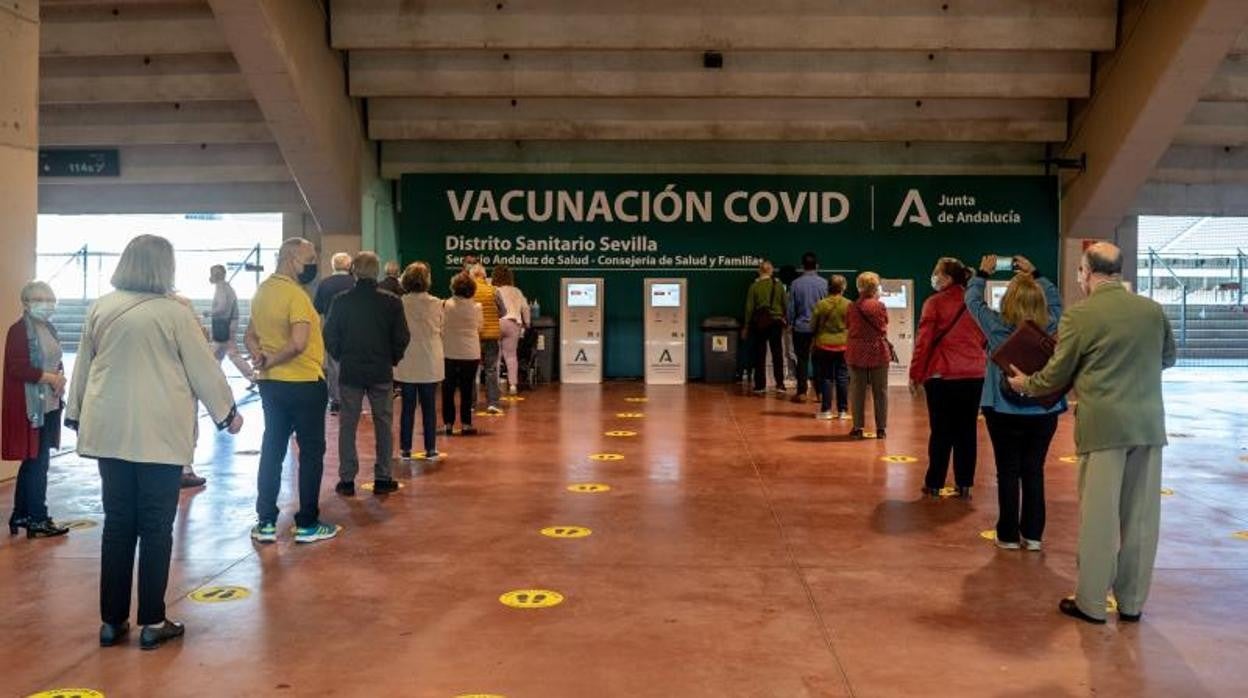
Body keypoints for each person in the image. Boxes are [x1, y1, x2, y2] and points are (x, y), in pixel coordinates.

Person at [65, 235, 241, 651]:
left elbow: (83, 370)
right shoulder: (174, 314)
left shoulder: (101, 308)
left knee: (118, 525)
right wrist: (227, 414)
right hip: (159, 433)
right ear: (165, 268)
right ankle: (153, 621)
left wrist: (74, 415)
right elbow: (202, 369)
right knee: (156, 527)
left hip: (109, 430)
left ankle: (111, 622)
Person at [1008, 242, 1175, 625]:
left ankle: (1092, 603)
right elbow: (1168, 358)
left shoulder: (1080, 316)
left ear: (1086, 271)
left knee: (1100, 518)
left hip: (1103, 428)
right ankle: (1132, 603)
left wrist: (1024, 384)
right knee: (1141, 519)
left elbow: (1057, 374)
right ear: (1118, 270)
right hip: (1149, 426)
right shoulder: (1151, 310)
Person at [966, 255, 1065, 550]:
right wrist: (1036, 273)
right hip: (1043, 407)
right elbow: (1056, 301)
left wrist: (982, 273)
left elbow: (972, 301)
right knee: (1034, 469)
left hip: (1001, 407)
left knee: (1007, 470)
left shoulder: (995, 326)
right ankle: (1033, 535)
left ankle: (1007, 534)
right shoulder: (1051, 323)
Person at [245, 238, 339, 545]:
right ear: (291, 259)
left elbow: (249, 335)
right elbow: (299, 343)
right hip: (303, 383)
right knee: (311, 453)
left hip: (271, 385)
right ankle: (308, 523)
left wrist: (260, 357)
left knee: (273, 448)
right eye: (310, 258)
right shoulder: (296, 296)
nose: (313, 264)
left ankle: (266, 522)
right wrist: (270, 358)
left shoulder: (262, 292)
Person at [324, 252, 410, 496]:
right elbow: (402, 336)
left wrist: (341, 356)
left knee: (347, 425)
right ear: (377, 271)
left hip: (350, 371)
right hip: (381, 371)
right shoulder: (392, 301)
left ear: (354, 270)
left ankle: (347, 480)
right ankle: (383, 477)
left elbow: (329, 335)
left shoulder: (341, 301)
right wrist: (392, 358)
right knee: (383, 423)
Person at [910, 257, 987, 499]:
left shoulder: (934, 303)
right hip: (974, 375)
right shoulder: (975, 303)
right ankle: (964, 483)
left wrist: (915, 374)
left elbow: (923, 342)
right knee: (967, 431)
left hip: (942, 375)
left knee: (941, 430)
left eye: (937, 272)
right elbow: (986, 337)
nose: (933, 276)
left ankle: (934, 482)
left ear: (947, 277)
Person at [3, 281, 69, 539]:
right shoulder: (19, 330)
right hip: (31, 406)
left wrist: (59, 378)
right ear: (27, 303)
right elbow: (16, 368)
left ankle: (21, 514)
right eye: (40, 299)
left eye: (50, 299)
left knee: (34, 462)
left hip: (49, 404)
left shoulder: (48, 328)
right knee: (38, 463)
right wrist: (50, 378)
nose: (47, 304)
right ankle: (38, 519)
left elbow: (55, 360)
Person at [395, 262, 444, 460]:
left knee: (407, 406)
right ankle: (430, 448)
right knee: (429, 406)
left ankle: (405, 448)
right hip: (430, 358)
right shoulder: (437, 303)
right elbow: (442, 327)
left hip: (407, 358)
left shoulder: (399, 302)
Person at [846, 272, 890, 439]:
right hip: (878, 350)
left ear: (859, 287)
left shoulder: (852, 306)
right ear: (875, 288)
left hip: (856, 351)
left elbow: (848, 325)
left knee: (857, 391)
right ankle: (881, 429)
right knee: (881, 391)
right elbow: (884, 325)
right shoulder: (880, 306)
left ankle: (858, 427)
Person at [313, 252, 354, 415]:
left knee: (333, 366)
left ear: (333, 265)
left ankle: (335, 401)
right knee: (351, 364)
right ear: (349, 266)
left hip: (331, 329)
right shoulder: (355, 283)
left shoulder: (324, 284)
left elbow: (317, 308)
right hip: (352, 329)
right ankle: (351, 399)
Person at [443, 272, 483, 435]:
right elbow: (480, 328)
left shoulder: (445, 304)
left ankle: (448, 424)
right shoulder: (477, 307)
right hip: (471, 353)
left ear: (454, 287)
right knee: (467, 389)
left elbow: (441, 326)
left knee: (448, 389)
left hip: (449, 352)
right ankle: (466, 424)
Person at [205, 264, 255, 388]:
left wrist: (209, 313)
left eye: (213, 273)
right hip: (228, 324)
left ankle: (252, 376)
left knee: (227, 354)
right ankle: (251, 376)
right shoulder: (226, 287)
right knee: (219, 355)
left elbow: (221, 307)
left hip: (225, 325)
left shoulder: (221, 287)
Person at [787, 252, 828, 403]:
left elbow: (791, 308)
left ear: (802, 266)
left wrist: (790, 323)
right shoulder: (824, 283)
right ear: (817, 266)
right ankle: (821, 393)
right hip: (819, 329)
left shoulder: (796, 284)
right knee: (819, 361)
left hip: (801, 328)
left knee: (802, 360)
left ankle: (802, 392)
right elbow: (827, 306)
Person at [743, 260, 788, 396]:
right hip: (776, 322)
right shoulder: (778, 285)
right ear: (771, 271)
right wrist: (785, 319)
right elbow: (785, 304)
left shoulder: (754, 287)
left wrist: (746, 326)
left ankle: (760, 386)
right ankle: (780, 384)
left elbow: (749, 308)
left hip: (760, 323)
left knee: (759, 354)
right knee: (777, 353)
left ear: (759, 271)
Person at [810, 274, 851, 421]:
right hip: (843, 345)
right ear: (843, 288)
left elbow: (812, 326)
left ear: (828, 287)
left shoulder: (821, 304)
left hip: (824, 345)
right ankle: (843, 411)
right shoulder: (849, 304)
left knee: (826, 377)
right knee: (842, 377)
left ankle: (826, 410)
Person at [468, 263, 505, 414]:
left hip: (473, 336)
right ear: (484, 276)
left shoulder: (468, 292)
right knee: (491, 369)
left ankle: (470, 404)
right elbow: (503, 311)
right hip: (491, 335)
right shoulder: (493, 290)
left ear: (471, 276)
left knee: (471, 371)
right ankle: (493, 403)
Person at [492, 264, 531, 395]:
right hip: (513, 324)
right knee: (511, 356)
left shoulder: (493, 289)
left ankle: (495, 385)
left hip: (496, 323)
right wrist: (527, 323)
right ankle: (513, 385)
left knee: (495, 357)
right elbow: (525, 308)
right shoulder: (517, 291)